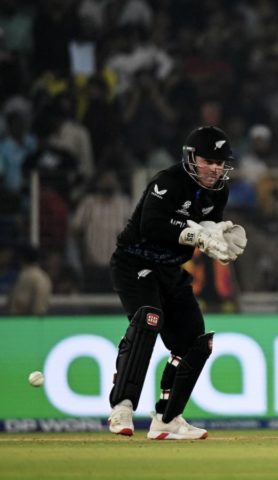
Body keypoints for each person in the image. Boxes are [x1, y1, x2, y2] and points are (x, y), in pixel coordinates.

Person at [107, 126, 248, 440]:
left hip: (170, 270)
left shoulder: (218, 191)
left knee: (195, 341)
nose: (215, 167)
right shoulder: (168, 182)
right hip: (135, 262)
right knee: (149, 318)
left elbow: (205, 226)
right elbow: (152, 224)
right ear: (192, 158)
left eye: (221, 161)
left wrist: (215, 240)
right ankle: (122, 407)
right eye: (208, 160)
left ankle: (167, 419)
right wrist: (196, 234)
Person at [8, 245, 52, 315]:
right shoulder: (22, 275)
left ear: (21, 258)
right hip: (17, 321)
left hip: (29, 321)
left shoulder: (37, 277)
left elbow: (39, 307)